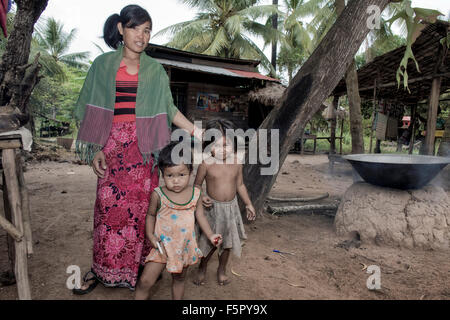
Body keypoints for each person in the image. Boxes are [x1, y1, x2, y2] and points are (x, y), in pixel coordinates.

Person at [73, 5, 200, 294]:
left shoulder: (155, 70)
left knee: (143, 212)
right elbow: (92, 111)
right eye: (135, 28)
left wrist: (197, 131)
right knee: (108, 210)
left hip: (145, 151)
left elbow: (168, 110)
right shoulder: (103, 66)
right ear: (121, 29)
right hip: (111, 146)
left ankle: (139, 270)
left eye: (146, 30)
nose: (141, 36)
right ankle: (103, 270)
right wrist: (96, 149)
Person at [134, 142, 222, 300]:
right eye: (170, 176)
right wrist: (150, 235)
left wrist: (211, 235)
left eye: (181, 175)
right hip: (161, 246)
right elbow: (151, 215)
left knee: (179, 279)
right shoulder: (158, 194)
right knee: (145, 281)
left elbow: (200, 216)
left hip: (183, 246)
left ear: (190, 171)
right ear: (162, 174)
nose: (176, 181)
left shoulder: (196, 194)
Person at [193, 119, 256, 286]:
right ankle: (202, 267)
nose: (222, 150)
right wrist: (202, 196)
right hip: (212, 210)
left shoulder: (236, 163)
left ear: (234, 144)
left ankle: (222, 269)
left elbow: (240, 185)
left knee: (227, 244)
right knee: (209, 243)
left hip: (231, 209)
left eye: (226, 145)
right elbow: (197, 185)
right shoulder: (206, 164)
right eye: (217, 145)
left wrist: (248, 203)